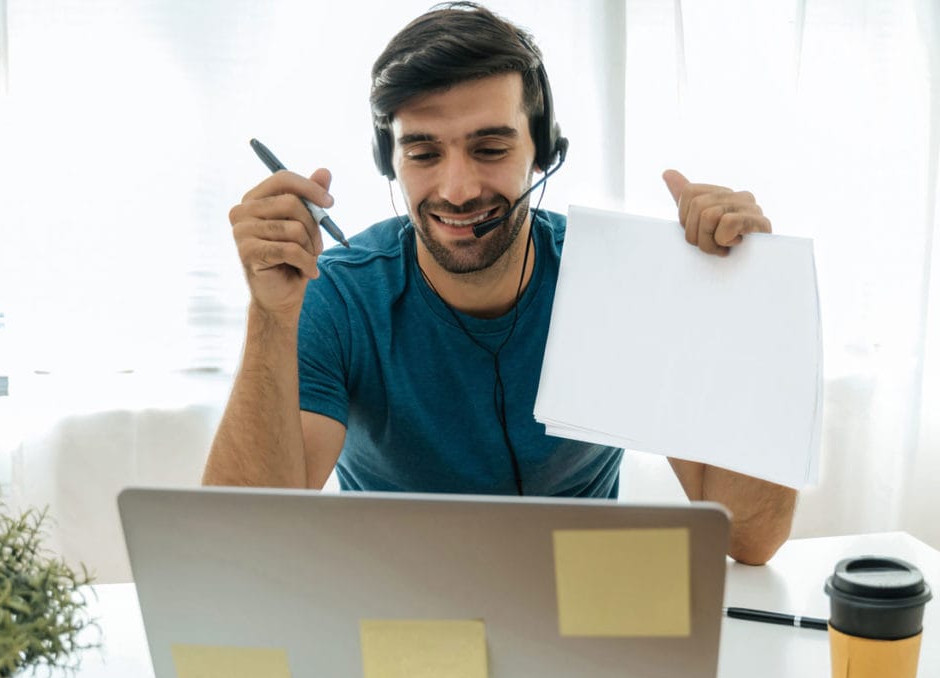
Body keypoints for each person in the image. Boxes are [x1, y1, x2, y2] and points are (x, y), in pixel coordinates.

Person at [203, 2, 796, 565]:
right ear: (390, 161)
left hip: (580, 617)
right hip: (398, 623)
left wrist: (743, 293)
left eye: (489, 148)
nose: (458, 189)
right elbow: (246, 543)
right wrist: (270, 314)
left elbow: (752, 536)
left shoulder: (616, 285)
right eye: (424, 152)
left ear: (544, 152)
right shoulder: (338, 295)